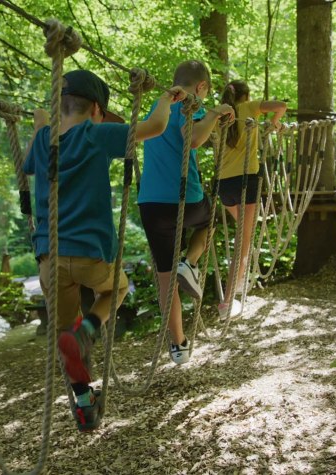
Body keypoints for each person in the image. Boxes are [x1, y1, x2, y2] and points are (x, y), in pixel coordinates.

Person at [24, 69, 185, 432]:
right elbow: (155, 127)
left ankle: (83, 402)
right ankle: (89, 328)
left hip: (49, 260)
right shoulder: (96, 134)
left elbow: (31, 164)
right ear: (96, 108)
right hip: (89, 254)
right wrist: (165, 100)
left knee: (63, 332)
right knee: (116, 288)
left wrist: (38, 122)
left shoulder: (44, 139)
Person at [138, 60, 235, 365]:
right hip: (185, 202)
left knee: (165, 282)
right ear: (201, 87)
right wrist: (216, 112)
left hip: (151, 205)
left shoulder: (159, 104)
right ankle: (190, 261)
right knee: (209, 219)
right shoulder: (191, 105)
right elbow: (192, 138)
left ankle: (178, 345)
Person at [215, 80, 286, 318]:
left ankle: (239, 283)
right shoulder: (250, 108)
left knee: (243, 235)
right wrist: (274, 124)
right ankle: (228, 300)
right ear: (246, 96)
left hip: (224, 185)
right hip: (247, 181)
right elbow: (281, 105)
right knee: (244, 242)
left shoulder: (219, 114)